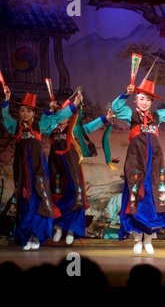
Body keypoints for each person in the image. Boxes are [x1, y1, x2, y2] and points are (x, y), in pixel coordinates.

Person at [111, 78, 165, 254]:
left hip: (154, 164)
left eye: (148, 100)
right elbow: (116, 108)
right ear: (136, 99)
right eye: (141, 98)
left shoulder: (158, 116)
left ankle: (149, 238)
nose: (144, 102)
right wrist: (125, 93)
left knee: (152, 199)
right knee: (136, 197)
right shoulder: (131, 115)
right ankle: (136, 238)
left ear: (151, 102)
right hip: (136, 164)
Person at [1, 85, 83, 249]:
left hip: (38, 169)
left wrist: (74, 104)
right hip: (22, 170)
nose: (24, 114)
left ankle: (38, 236)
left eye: (28, 111)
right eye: (22, 110)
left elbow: (58, 116)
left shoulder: (41, 126)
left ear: (34, 113)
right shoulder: (16, 127)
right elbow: (5, 118)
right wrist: (7, 100)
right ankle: (27, 235)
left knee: (41, 197)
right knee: (25, 199)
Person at [45, 98, 114, 245]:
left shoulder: (73, 129)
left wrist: (105, 119)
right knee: (57, 196)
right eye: (59, 114)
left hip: (71, 168)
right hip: (56, 169)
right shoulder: (51, 128)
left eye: (64, 116)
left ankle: (71, 230)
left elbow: (88, 128)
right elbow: (44, 124)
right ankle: (58, 227)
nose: (61, 118)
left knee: (75, 197)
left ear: (69, 117)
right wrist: (49, 111)